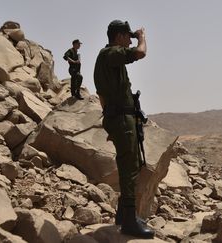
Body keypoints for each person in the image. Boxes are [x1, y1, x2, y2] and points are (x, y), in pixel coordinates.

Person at [93, 20, 153, 238]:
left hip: (121, 117)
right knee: (129, 165)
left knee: (132, 163)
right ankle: (128, 221)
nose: (130, 40)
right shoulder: (111, 53)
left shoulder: (111, 56)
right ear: (118, 37)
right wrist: (142, 37)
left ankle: (123, 215)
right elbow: (140, 53)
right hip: (120, 118)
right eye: (127, 36)